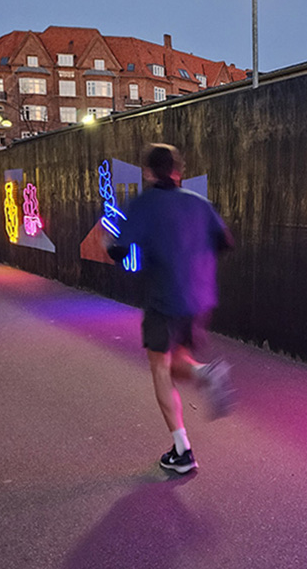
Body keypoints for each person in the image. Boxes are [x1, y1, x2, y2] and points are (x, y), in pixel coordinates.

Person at [107, 144, 234, 474]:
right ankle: (206, 373)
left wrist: (120, 247)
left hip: (164, 298)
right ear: (179, 170)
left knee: (160, 369)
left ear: (148, 172)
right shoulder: (198, 203)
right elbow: (225, 242)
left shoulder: (144, 203)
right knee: (177, 361)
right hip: (199, 297)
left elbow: (119, 250)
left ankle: (182, 450)